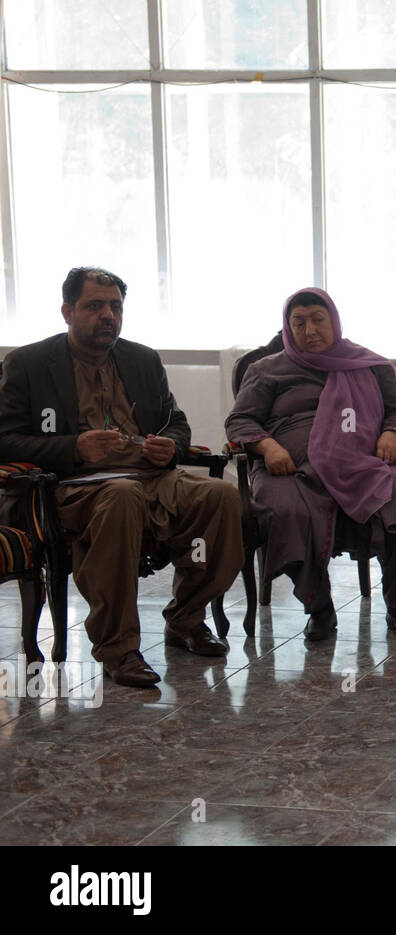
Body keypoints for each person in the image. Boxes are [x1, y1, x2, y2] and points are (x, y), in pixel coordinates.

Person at [0, 267, 242, 687]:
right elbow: (4, 440)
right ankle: (118, 647)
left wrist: (170, 444)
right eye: (95, 306)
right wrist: (73, 447)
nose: (108, 315)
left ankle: (185, 617)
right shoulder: (29, 364)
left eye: (115, 306)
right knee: (123, 496)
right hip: (70, 487)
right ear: (67, 311)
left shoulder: (141, 359)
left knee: (220, 496)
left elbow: (175, 422)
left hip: (147, 476)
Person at [225, 287, 396, 642]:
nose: (310, 331)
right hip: (289, 469)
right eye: (298, 323)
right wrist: (268, 446)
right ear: (288, 328)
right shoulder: (266, 370)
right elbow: (240, 421)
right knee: (281, 510)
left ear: (334, 321)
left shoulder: (368, 365)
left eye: (318, 320)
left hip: (359, 463)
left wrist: (392, 433)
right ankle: (319, 607)